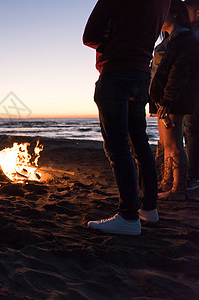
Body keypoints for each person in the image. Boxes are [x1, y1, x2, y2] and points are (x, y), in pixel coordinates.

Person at [83, 0, 170, 235]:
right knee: (139, 141)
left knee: (117, 145)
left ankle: (128, 215)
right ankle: (148, 209)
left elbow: (89, 35)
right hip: (142, 72)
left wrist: (113, 35)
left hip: (116, 70)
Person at [149, 0, 199, 201]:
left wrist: (168, 99)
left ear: (175, 15)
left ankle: (178, 189)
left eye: (164, 13)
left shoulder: (183, 39)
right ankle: (167, 182)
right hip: (163, 100)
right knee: (165, 143)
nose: (160, 18)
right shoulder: (169, 40)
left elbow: (178, 73)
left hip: (173, 100)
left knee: (174, 144)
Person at [184, 0, 199, 190]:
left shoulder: (193, 35)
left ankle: (192, 176)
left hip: (193, 90)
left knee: (192, 132)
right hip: (191, 90)